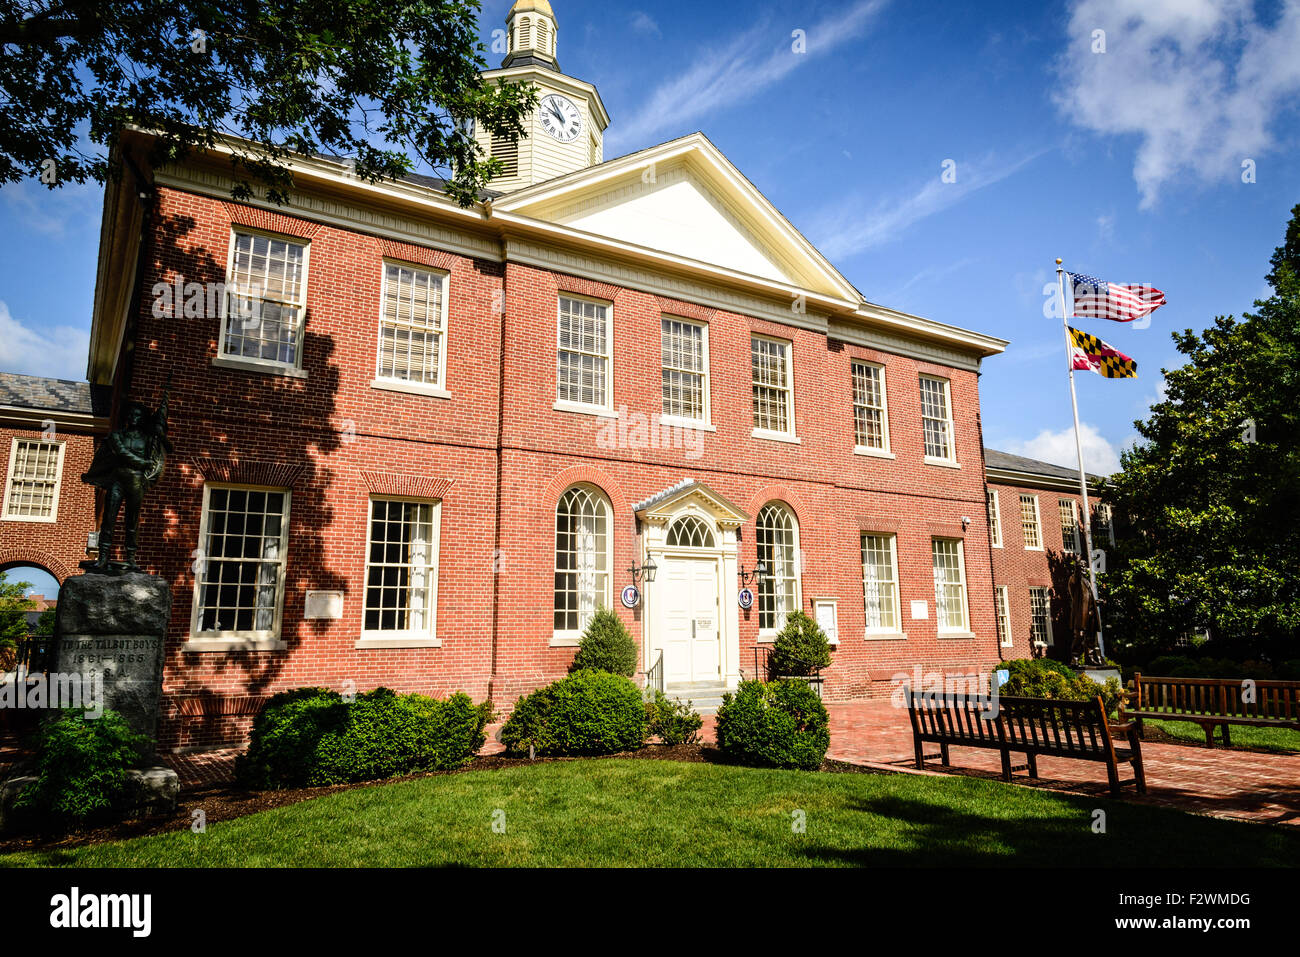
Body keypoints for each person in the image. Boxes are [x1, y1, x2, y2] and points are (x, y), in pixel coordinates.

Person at [82, 392, 171, 573]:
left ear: (143, 418)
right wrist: (142, 463)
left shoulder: (147, 439)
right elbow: (121, 453)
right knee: (109, 519)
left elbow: (165, 448)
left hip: (136, 482)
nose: (134, 418)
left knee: (132, 521)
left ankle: (131, 558)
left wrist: (159, 433)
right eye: (131, 414)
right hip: (118, 479)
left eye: (137, 415)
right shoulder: (117, 436)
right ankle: (103, 557)